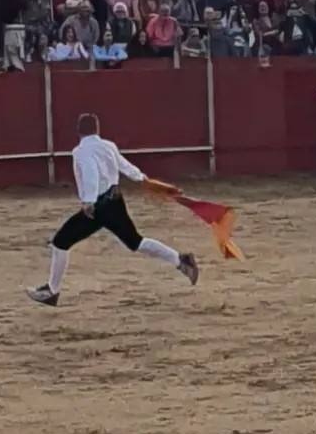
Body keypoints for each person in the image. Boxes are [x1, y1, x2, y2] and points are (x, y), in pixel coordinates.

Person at [27, 113, 198, 306]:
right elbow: (125, 166)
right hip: (115, 201)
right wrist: (142, 179)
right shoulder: (108, 146)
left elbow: (90, 172)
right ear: (97, 129)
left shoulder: (80, 151)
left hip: (99, 206)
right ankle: (181, 260)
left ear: (78, 131)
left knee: (61, 242)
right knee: (136, 241)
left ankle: (52, 291)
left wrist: (89, 201)